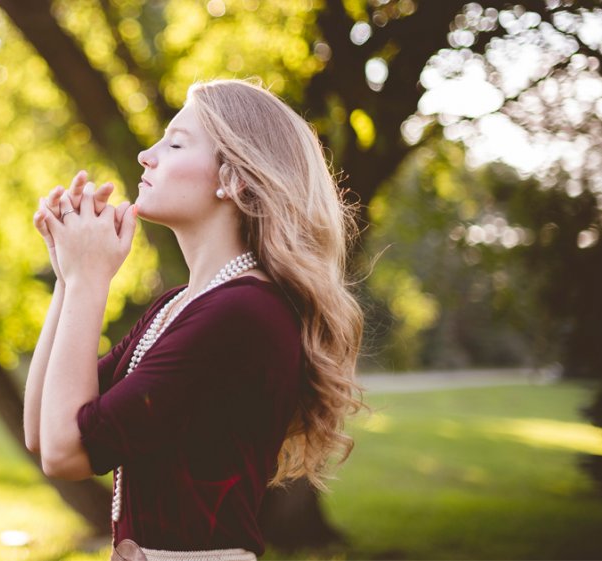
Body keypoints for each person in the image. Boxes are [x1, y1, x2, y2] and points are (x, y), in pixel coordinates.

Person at [23, 78, 364, 560]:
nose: (147, 153)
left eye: (175, 142)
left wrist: (89, 281)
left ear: (234, 179)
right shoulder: (179, 306)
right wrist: (68, 275)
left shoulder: (242, 314)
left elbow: (66, 454)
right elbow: (42, 430)